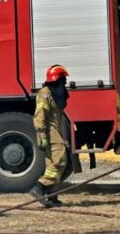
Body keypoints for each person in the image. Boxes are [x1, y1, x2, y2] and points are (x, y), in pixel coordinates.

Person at [29, 64, 70, 208]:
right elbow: (39, 115)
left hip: (55, 131)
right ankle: (39, 187)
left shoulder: (53, 93)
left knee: (52, 165)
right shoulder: (45, 93)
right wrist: (42, 135)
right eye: (63, 80)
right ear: (58, 79)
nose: (64, 84)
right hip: (49, 132)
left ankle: (52, 197)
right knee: (60, 161)